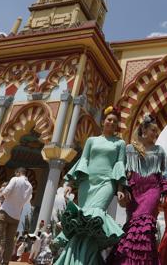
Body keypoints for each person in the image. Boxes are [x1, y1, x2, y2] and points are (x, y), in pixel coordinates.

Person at [54, 106, 127, 265]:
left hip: (107, 183)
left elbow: (120, 164)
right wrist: (70, 183)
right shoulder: (91, 140)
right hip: (87, 183)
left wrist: (120, 188)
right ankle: (76, 260)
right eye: (109, 119)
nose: (112, 123)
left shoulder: (120, 143)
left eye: (115, 121)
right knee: (83, 220)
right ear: (103, 122)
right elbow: (84, 160)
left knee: (95, 216)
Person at [108, 114, 167, 265]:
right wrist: (121, 188)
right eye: (153, 130)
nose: (155, 134)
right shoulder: (130, 149)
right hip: (135, 192)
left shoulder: (159, 150)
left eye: (156, 131)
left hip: (152, 191)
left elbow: (164, 173)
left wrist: (164, 192)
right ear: (144, 129)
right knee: (132, 227)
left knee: (144, 225)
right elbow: (122, 171)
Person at [0, 167, 33, 265]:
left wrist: (1, 196)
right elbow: (27, 201)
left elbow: (6, 192)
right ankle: (5, 262)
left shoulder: (15, 179)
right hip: (16, 216)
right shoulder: (30, 186)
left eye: (16, 173)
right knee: (10, 242)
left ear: (18, 172)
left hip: (4, 212)